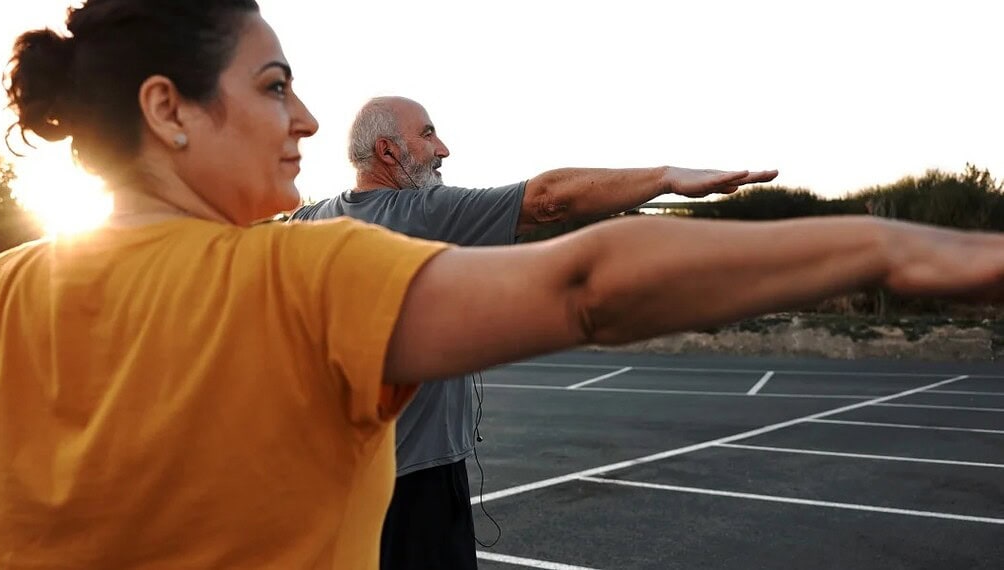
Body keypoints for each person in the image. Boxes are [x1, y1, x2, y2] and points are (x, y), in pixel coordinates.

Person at [0, 1, 1003, 569]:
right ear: (169, 110)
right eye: (272, 87)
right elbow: (588, 287)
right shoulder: (304, 274)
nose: (304, 119)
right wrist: (897, 248)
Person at [291, 95, 779, 569]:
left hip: (336, 478)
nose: (443, 149)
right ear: (388, 152)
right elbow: (549, 200)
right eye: (428, 134)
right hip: (418, 480)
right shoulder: (421, 214)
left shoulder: (306, 224)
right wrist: (665, 177)